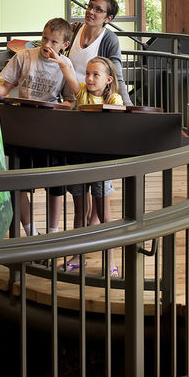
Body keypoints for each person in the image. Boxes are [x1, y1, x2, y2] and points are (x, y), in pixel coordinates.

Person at [0, 17, 78, 234]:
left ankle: (52, 233)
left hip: (50, 129)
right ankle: (31, 232)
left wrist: (64, 107)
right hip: (22, 126)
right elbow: (5, 87)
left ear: (65, 45)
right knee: (19, 182)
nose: (47, 45)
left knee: (56, 184)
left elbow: (71, 99)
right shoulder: (24, 56)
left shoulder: (66, 65)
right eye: (44, 39)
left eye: (53, 42)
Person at [66, 57, 123, 276]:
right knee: (80, 213)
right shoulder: (81, 93)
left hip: (101, 164)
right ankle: (77, 255)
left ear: (108, 80)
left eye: (95, 75)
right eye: (87, 73)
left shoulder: (115, 100)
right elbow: (69, 73)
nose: (89, 78)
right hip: (79, 161)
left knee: (104, 215)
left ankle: (110, 259)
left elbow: (115, 128)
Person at [66, 0, 131, 106]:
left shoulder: (109, 39)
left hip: (90, 102)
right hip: (67, 97)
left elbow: (117, 76)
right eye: (90, 6)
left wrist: (129, 107)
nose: (90, 11)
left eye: (98, 10)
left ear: (108, 18)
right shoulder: (73, 30)